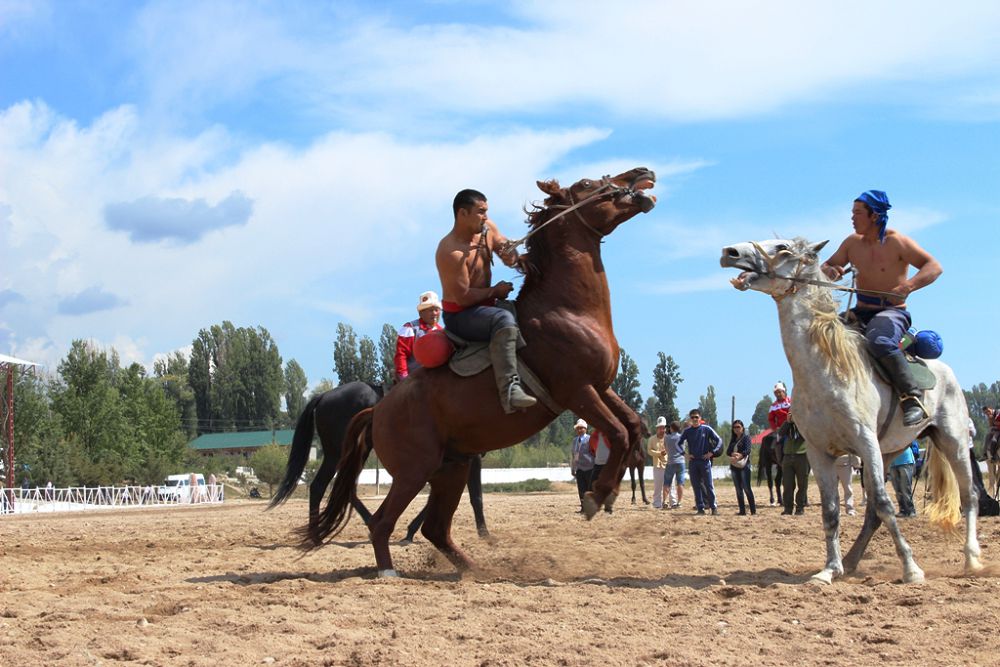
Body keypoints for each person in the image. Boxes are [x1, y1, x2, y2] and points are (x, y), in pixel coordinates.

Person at [821, 190, 943, 426]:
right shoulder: (851, 243)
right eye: (852, 213)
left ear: (874, 216)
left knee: (879, 341)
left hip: (892, 313)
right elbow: (829, 265)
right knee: (822, 336)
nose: (852, 218)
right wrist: (831, 271)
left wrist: (909, 285)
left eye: (857, 213)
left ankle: (911, 398)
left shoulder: (898, 242)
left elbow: (934, 266)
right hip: (860, 310)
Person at [436, 189, 536, 413]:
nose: (486, 217)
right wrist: (495, 291)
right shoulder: (450, 251)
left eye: (486, 212)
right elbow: (462, 297)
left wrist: (512, 256)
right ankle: (509, 390)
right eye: (480, 212)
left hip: (486, 306)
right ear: (462, 213)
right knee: (503, 319)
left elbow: (505, 250)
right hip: (460, 315)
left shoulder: (487, 230)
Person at [677, 409, 723, 515]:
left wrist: (712, 453)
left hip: (704, 462)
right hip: (693, 462)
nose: (694, 419)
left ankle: (713, 507)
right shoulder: (687, 431)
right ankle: (700, 508)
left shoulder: (706, 429)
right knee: (696, 486)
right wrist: (685, 454)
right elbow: (678, 444)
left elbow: (719, 440)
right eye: (692, 417)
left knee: (709, 485)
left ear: (700, 418)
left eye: (696, 417)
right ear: (690, 418)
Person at [394, 290, 445, 382]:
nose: (434, 313)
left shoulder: (442, 332)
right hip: (414, 380)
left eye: (436, 310)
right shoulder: (410, 328)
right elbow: (401, 354)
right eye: (430, 310)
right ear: (421, 313)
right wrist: (404, 379)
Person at [778, 411, 810, 515]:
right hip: (787, 455)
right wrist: (788, 422)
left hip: (802, 455)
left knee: (802, 484)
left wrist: (798, 421)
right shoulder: (787, 424)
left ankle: (800, 507)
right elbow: (780, 434)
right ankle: (788, 508)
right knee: (787, 484)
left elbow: (805, 434)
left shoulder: (804, 423)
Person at [726, 420, 756, 515]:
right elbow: (727, 451)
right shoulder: (733, 439)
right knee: (738, 489)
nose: (736, 429)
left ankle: (753, 511)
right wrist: (732, 453)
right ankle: (742, 511)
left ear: (742, 428)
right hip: (734, 466)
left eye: (738, 427)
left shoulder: (746, 438)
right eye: (735, 427)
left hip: (744, 466)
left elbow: (748, 450)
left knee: (747, 488)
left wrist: (740, 455)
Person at [890, 440, 920, 518]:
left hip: (905, 460)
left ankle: (910, 510)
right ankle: (902, 510)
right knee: (897, 489)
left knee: (905, 488)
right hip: (892, 462)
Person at [569, 419, 594, 513]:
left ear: (585, 429)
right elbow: (574, 455)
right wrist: (573, 468)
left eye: (581, 428)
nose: (579, 430)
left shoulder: (590, 439)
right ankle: (583, 508)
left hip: (590, 467)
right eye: (577, 428)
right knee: (581, 489)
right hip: (579, 468)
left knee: (589, 488)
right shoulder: (575, 440)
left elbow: (595, 453)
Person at [589, 428, 613, 513]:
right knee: (592, 484)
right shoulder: (594, 436)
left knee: (608, 486)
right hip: (597, 463)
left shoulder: (609, 434)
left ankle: (608, 507)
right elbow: (592, 449)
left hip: (608, 464)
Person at [647, 416, 669, 509]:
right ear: (657, 428)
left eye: (663, 427)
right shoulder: (651, 439)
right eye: (660, 427)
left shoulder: (668, 438)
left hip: (668, 464)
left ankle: (668, 502)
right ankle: (657, 503)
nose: (662, 429)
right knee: (657, 485)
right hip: (657, 465)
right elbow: (649, 451)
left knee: (669, 485)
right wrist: (659, 453)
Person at [663, 420, 686, 509]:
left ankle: (664, 501)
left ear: (671, 428)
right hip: (680, 462)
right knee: (680, 483)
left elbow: (666, 449)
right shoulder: (682, 437)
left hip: (670, 462)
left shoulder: (667, 438)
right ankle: (679, 502)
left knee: (667, 483)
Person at [768, 381, 791, 463]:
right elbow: (771, 419)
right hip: (781, 429)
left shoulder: (791, 401)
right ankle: (781, 462)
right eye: (776, 393)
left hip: (794, 426)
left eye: (779, 392)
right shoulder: (773, 406)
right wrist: (775, 428)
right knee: (776, 444)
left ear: (784, 391)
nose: (778, 394)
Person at [982, 406, 1000, 496]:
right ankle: (990, 454)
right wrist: (991, 422)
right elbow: (992, 426)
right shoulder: (990, 416)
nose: (987, 413)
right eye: (986, 413)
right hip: (996, 431)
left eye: (988, 411)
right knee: (992, 439)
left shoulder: (998, 412)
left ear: (990, 408)